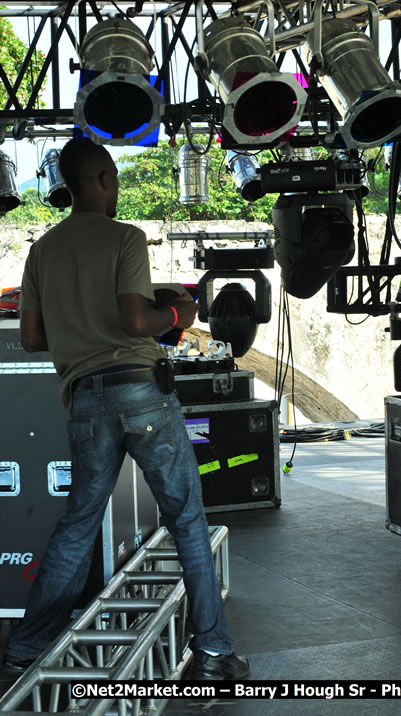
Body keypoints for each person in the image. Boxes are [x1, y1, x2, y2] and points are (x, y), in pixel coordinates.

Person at [2, 137, 249, 681]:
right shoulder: (126, 238)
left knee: (79, 524)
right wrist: (177, 311)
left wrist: (79, 322)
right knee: (186, 520)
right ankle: (212, 654)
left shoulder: (42, 250)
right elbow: (138, 322)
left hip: (86, 400)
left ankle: (25, 645)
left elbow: (34, 337)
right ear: (105, 180)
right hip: (141, 392)